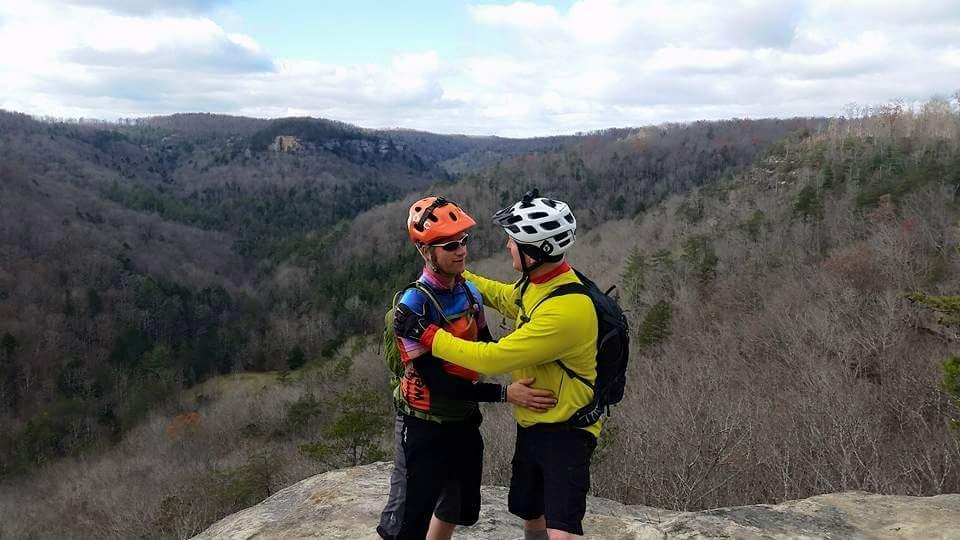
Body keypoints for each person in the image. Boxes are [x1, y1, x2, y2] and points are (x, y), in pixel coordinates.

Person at [395, 191, 600, 540]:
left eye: (514, 241)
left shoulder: (566, 310)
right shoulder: (540, 284)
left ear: (536, 252)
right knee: (530, 510)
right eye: (452, 244)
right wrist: (459, 274)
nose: (507, 246)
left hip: (567, 428)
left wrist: (426, 333)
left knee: (563, 529)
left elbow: (492, 356)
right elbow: (506, 297)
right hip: (534, 421)